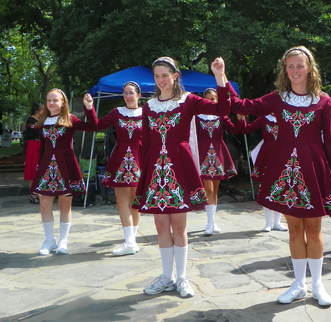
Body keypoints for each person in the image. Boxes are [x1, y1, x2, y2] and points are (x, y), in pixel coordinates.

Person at [217, 46, 331, 306]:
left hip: (313, 168)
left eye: (299, 65)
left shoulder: (324, 100)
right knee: (295, 229)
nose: (295, 70)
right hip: (285, 170)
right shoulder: (276, 98)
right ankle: (298, 284)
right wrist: (222, 79)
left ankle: (317, 285)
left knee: (314, 229)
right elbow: (241, 105)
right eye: (290, 66)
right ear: (284, 70)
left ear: (309, 68)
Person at [133, 56, 230, 298]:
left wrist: (219, 77)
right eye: (156, 76)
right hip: (156, 168)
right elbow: (145, 140)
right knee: (160, 224)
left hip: (179, 164)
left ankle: (182, 278)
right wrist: (146, 171)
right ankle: (167, 276)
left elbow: (222, 109)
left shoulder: (189, 101)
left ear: (175, 75)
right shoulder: (149, 106)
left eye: (164, 75)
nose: (160, 80)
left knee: (179, 225)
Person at [31, 89, 98, 255]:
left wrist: (89, 108)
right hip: (47, 166)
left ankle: (63, 240)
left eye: (55, 100)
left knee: (64, 205)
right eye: (49, 100)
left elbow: (93, 126)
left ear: (63, 103)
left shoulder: (71, 119)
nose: (51, 103)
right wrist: (39, 168)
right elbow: (43, 148)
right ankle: (49, 240)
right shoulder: (42, 122)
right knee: (44, 204)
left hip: (66, 165)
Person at [93, 81, 143, 256]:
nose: (128, 96)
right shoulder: (117, 112)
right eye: (125, 93)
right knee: (122, 202)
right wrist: (89, 108)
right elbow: (97, 125)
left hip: (140, 157)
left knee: (136, 202)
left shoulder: (147, 113)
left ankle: (132, 241)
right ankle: (130, 241)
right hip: (121, 157)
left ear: (139, 95)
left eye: (131, 93)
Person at [196, 88, 244, 235]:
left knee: (215, 190)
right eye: (208, 98)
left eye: (214, 98)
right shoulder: (196, 117)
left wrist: (240, 118)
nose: (211, 101)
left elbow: (235, 130)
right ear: (204, 100)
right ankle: (210, 223)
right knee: (208, 189)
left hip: (217, 152)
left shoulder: (222, 116)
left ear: (218, 100)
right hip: (202, 153)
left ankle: (211, 221)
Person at [240, 114, 288, 232]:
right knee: (266, 187)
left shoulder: (286, 117)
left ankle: (277, 222)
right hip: (267, 155)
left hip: (282, 154)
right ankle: (268, 222)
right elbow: (246, 129)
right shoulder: (263, 118)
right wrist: (241, 118)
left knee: (281, 187)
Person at [22, 101, 45, 204]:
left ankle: (40, 192)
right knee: (32, 168)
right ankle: (33, 194)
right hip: (33, 145)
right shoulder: (30, 120)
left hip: (40, 145)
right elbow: (35, 132)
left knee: (40, 169)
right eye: (43, 108)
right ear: (38, 110)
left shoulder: (42, 120)